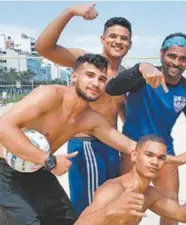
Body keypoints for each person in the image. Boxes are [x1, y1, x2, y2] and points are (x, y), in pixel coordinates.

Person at [0, 54, 137, 225]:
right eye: (90, 75)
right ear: (74, 77)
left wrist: (168, 157)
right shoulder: (49, 95)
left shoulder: (89, 118)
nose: (96, 83)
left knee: (67, 220)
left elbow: (129, 146)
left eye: (102, 79)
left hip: (37, 169)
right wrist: (48, 161)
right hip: (5, 169)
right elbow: (3, 127)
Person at [34, 3, 132, 215]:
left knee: (110, 207)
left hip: (112, 148)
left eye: (123, 38)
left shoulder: (125, 75)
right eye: (113, 36)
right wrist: (70, 12)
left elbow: (120, 110)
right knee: (89, 210)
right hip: (88, 145)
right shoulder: (87, 63)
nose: (118, 41)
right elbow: (43, 47)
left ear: (130, 44)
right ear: (102, 39)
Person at [106, 32, 186, 225]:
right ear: (161, 54)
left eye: (183, 59)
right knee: (128, 209)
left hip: (165, 152)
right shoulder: (143, 75)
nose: (176, 62)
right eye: (171, 56)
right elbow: (112, 88)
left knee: (171, 207)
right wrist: (139, 68)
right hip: (132, 149)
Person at [75, 134, 186, 225]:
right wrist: (110, 210)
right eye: (149, 155)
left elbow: (183, 215)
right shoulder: (114, 189)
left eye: (161, 158)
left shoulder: (149, 194)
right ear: (134, 156)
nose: (155, 162)